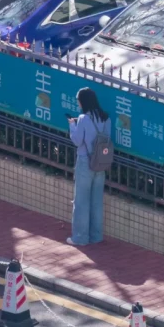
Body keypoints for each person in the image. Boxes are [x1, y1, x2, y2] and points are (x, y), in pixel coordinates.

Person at [68, 87, 110, 246]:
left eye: (78, 100)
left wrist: (72, 125)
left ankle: (80, 237)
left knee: (81, 201)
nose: (78, 103)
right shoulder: (106, 118)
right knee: (96, 200)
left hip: (86, 161)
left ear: (84, 101)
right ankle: (96, 236)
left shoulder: (83, 119)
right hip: (101, 162)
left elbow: (78, 141)